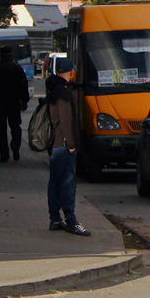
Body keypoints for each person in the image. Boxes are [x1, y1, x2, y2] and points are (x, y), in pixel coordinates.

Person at [46, 58, 90, 237]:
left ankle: (55, 219)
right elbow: (66, 119)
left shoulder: (53, 89)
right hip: (64, 145)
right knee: (68, 184)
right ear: (71, 72)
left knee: (55, 183)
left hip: (55, 146)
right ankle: (71, 221)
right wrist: (71, 144)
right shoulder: (63, 93)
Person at [0, 46, 30, 162]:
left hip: (0, 103)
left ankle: (4, 154)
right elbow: (24, 86)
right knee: (15, 126)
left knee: (2, 129)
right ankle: (15, 145)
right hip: (14, 102)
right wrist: (24, 101)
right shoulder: (17, 68)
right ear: (11, 56)